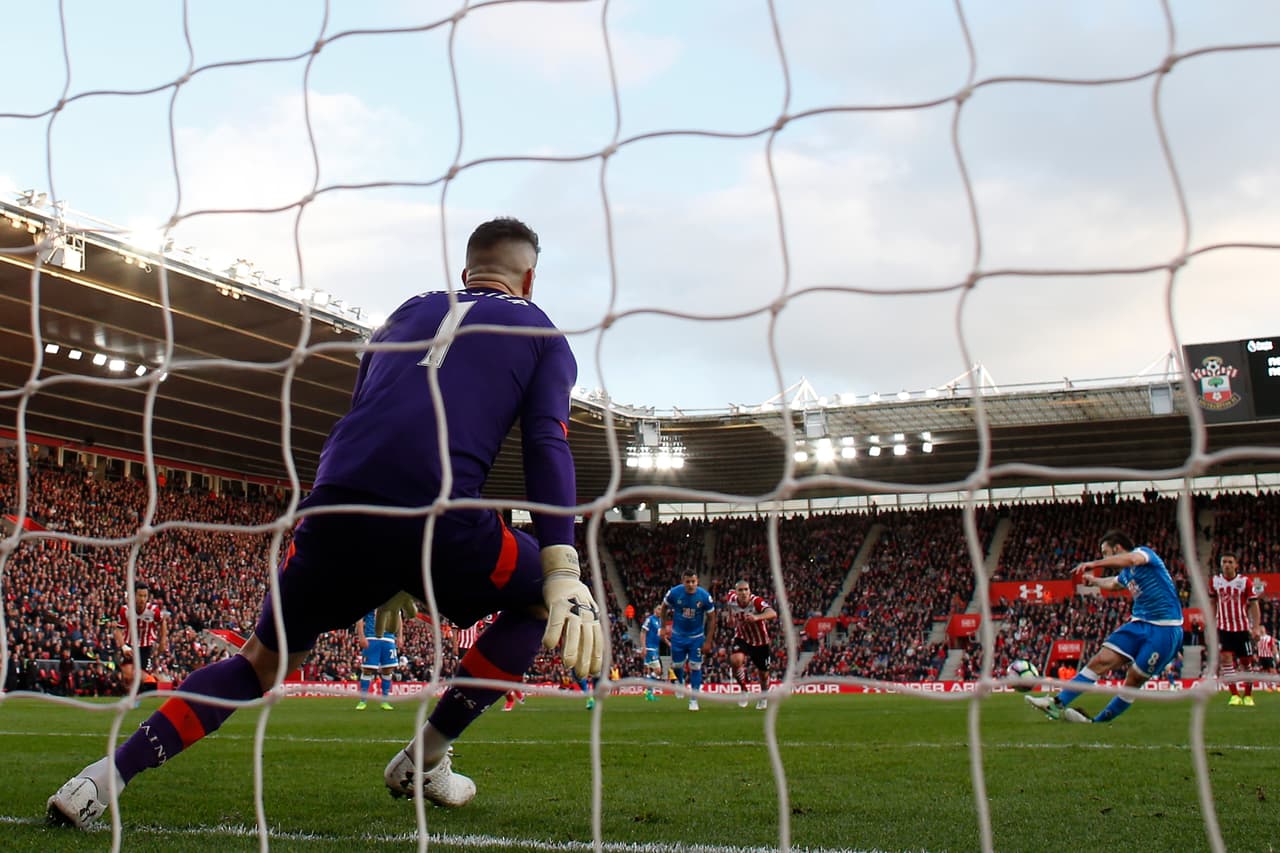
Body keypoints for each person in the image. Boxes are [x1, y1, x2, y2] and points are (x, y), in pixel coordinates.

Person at [48, 217, 604, 829]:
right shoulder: (543, 333)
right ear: (529, 277)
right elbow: (547, 443)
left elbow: (369, 420)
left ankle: (102, 778)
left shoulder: (402, 314)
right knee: (536, 605)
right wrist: (561, 563)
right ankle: (426, 757)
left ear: (467, 269)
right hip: (439, 514)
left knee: (259, 663)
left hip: (334, 506)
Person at [1026, 529, 1183, 724]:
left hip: (1165, 629)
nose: (1103, 557)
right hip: (1139, 624)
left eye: (1105, 552)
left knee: (1134, 678)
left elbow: (1132, 559)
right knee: (1100, 660)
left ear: (1117, 548)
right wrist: (1095, 581)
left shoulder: (1144, 554)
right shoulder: (1126, 574)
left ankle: (1098, 722)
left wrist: (1094, 564)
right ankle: (1056, 704)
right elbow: (1114, 584)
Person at [660, 569, 716, 711]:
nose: (690, 585)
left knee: (695, 666)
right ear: (683, 582)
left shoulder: (704, 596)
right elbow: (664, 607)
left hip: (696, 637)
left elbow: (712, 618)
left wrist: (708, 641)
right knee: (677, 665)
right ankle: (680, 682)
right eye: (688, 582)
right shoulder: (674, 593)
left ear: (697, 582)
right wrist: (663, 627)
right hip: (678, 636)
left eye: (693, 582)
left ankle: (694, 699)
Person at [1210, 552, 1261, 707]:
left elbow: (1254, 604)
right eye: (1224, 562)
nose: (1227, 565)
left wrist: (1256, 627)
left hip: (1242, 628)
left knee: (1247, 663)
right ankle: (1234, 695)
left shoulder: (1245, 582)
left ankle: (1248, 695)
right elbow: (1213, 603)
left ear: (1236, 564)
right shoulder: (1215, 581)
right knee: (1226, 660)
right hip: (1223, 628)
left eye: (1230, 562)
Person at [723, 580, 777, 710]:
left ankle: (763, 697)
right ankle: (744, 690)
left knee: (763, 674)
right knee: (736, 660)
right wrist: (730, 617)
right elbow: (729, 605)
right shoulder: (732, 598)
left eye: (746, 590)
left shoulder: (756, 601)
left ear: (750, 591)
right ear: (736, 592)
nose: (743, 593)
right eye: (740, 590)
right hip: (742, 637)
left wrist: (757, 617)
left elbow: (773, 613)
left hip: (760, 641)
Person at [113, 582, 167, 678]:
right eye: (140, 596)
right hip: (130, 646)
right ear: (134, 596)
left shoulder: (153, 610)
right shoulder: (125, 610)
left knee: (143, 675)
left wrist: (163, 640)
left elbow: (162, 622)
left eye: (145, 596)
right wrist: (123, 647)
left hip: (146, 647)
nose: (142, 599)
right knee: (127, 674)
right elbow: (118, 630)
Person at [354, 609, 399, 711]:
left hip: (388, 638)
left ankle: (385, 701)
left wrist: (400, 636)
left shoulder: (393, 600)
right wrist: (361, 636)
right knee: (367, 670)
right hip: (371, 637)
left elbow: (398, 616)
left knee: (388, 670)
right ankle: (363, 701)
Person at [639, 604, 664, 701]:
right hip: (650, 648)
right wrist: (643, 647)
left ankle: (648, 692)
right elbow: (643, 632)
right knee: (658, 670)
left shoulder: (660, 621)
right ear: (654, 610)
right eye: (659, 609)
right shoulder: (650, 619)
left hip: (655, 649)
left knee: (650, 672)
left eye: (662, 609)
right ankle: (648, 691)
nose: (660, 611)